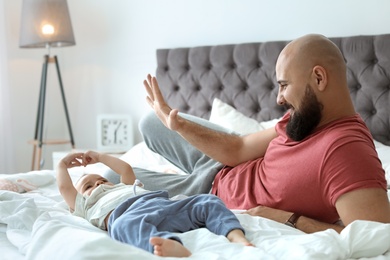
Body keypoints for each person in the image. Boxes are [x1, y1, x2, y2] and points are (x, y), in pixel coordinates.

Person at [135, 33, 390, 234]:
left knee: (107, 178)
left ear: (319, 78)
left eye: (284, 85)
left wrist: (290, 219)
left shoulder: (347, 152)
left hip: (208, 194)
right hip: (222, 165)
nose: (279, 98)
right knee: (151, 121)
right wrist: (178, 126)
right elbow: (239, 149)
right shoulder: (304, 116)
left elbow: (374, 236)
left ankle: (183, 176)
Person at [57, 151, 253, 257]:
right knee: (122, 227)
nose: (98, 184)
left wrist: (100, 158)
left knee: (207, 201)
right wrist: (61, 165)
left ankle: (234, 234)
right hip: (129, 216)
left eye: (100, 179)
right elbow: (65, 188)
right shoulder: (87, 206)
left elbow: (124, 168)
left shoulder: (121, 186)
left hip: (161, 204)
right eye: (88, 186)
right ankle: (168, 245)